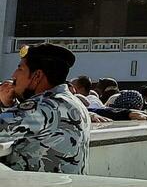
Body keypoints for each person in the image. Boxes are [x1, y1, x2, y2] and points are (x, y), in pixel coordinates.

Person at [0, 43, 90, 174]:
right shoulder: (71, 101)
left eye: (20, 69)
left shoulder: (44, 105)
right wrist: (8, 104)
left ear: (37, 76)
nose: (14, 76)